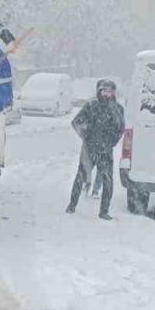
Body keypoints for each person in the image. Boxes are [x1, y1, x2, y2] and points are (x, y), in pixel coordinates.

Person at [67, 79, 125, 220]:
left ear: (113, 93)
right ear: (99, 91)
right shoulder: (91, 105)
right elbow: (76, 122)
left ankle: (104, 211)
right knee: (80, 177)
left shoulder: (117, 109)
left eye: (109, 92)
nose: (106, 94)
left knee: (108, 181)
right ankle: (72, 205)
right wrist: (86, 135)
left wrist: (111, 142)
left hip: (106, 151)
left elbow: (120, 129)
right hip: (90, 149)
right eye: (104, 91)